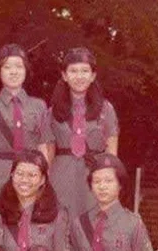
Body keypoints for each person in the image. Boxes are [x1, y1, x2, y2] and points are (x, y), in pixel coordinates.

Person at [47, 47, 120, 225]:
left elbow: (112, 151)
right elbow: (48, 153)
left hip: (93, 176)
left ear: (93, 75)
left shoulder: (106, 109)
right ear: (64, 75)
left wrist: (110, 184)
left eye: (84, 71)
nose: (79, 76)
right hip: (61, 175)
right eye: (73, 71)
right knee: (62, 227)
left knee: (93, 226)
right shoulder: (53, 111)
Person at [0, 44, 52, 207]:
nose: (13, 72)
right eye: (7, 67)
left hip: (28, 175)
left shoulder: (39, 106)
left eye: (19, 66)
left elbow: (43, 147)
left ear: (26, 71)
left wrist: (44, 183)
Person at [0, 149, 72, 251]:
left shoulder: (57, 214)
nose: (25, 180)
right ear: (12, 175)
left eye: (32, 175)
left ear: (43, 179)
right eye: (20, 174)